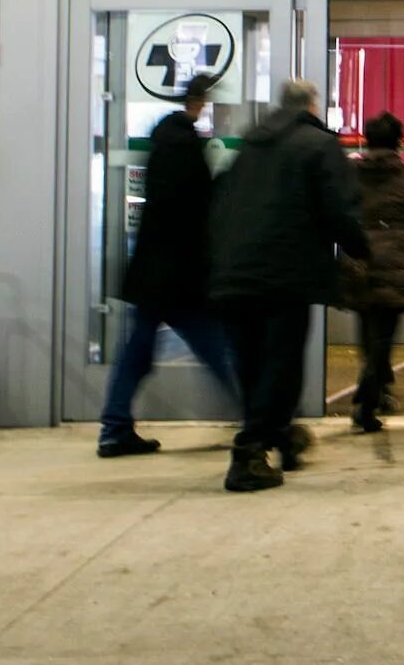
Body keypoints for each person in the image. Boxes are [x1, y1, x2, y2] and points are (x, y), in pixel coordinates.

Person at [208, 80, 367, 492]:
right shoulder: (316, 143)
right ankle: (249, 453)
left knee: (253, 364)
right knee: (281, 364)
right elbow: (339, 207)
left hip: (233, 272)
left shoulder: (250, 145)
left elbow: (221, 202)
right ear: (312, 105)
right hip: (284, 274)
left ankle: (280, 436)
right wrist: (361, 248)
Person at [97, 71, 237, 458]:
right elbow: (195, 210)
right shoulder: (187, 148)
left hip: (152, 272)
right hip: (181, 276)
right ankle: (260, 418)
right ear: (200, 103)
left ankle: (114, 428)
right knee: (218, 348)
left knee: (137, 351)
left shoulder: (164, 139)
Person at [343, 112, 404, 433]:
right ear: (399, 141)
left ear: (367, 139)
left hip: (358, 259)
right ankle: (368, 398)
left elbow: (343, 211)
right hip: (392, 261)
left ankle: (374, 384)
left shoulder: (351, 174)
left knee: (366, 327)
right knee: (384, 336)